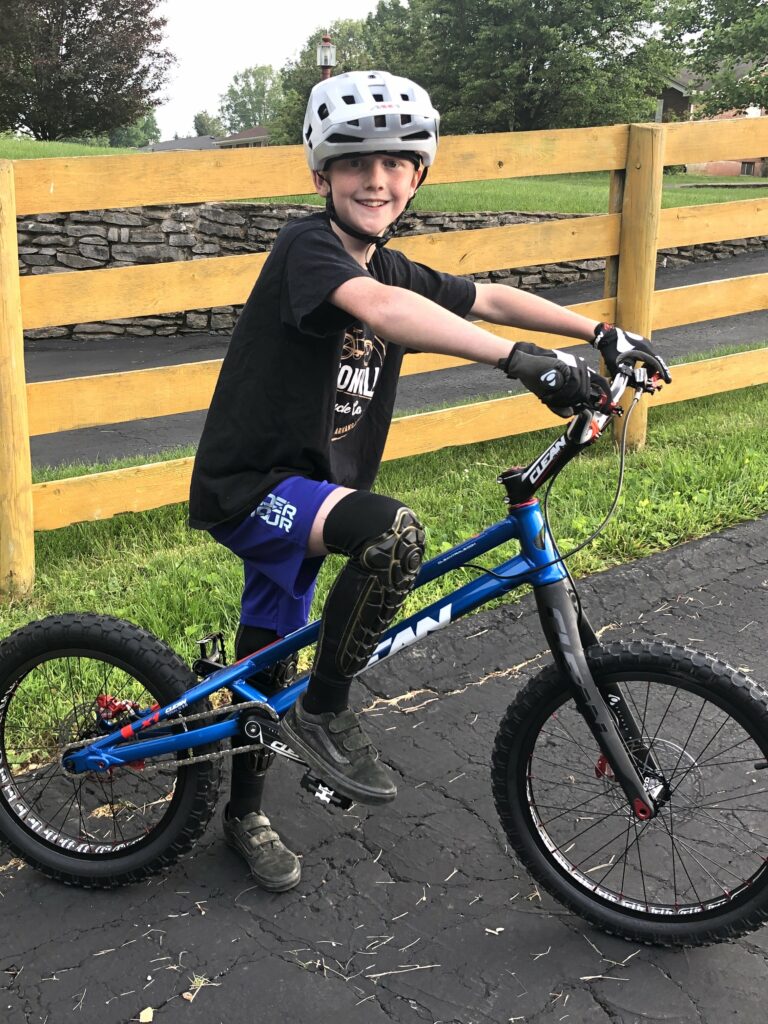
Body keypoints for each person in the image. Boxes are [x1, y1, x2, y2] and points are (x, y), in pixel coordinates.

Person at [188, 70, 670, 892]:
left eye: (397, 164)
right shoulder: (308, 249)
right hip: (253, 487)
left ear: (418, 176)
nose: (377, 179)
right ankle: (327, 713)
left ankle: (243, 812)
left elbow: (490, 295)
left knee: (270, 650)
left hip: (316, 492)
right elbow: (380, 312)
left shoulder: (394, 264)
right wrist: (518, 363)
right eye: (355, 164)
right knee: (393, 534)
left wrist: (600, 330)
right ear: (321, 176)